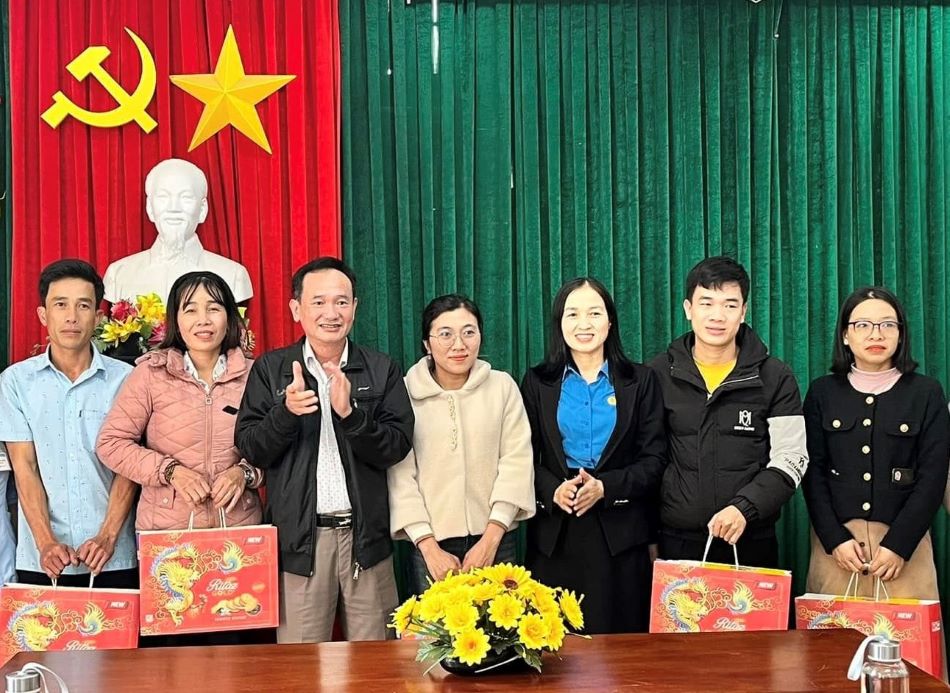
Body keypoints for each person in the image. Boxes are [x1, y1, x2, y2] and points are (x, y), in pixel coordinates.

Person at [236, 257, 414, 643]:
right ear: (296, 309)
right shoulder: (271, 369)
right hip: (301, 543)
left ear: (355, 307)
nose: (331, 313)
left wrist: (350, 415)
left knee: (377, 668)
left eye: (341, 302)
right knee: (300, 668)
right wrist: (285, 414)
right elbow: (251, 447)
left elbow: (396, 446)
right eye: (318, 302)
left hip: (366, 542)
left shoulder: (381, 368)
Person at [96, 270, 266, 644]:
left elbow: (274, 447)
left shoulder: (256, 375)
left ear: (230, 318)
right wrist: (169, 471)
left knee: (240, 658)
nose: (203, 320)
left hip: (237, 539)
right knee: (172, 662)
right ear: (175, 319)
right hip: (168, 542)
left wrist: (245, 474)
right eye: (190, 309)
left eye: (214, 308)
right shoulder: (150, 376)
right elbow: (111, 443)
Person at [520, 277, 666, 633]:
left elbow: (654, 458)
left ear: (610, 322)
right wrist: (552, 488)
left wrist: (606, 487)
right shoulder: (538, 382)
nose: (583, 324)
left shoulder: (640, 381)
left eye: (594, 313)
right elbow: (521, 454)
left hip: (621, 534)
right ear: (559, 323)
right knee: (556, 651)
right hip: (557, 533)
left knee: (622, 654)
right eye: (572, 314)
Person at [648, 256, 807, 568]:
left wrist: (744, 508)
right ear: (688, 309)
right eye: (706, 303)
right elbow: (647, 461)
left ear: (744, 311)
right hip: (677, 544)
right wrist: (647, 536)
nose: (717, 316)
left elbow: (792, 457)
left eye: (730, 305)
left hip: (752, 541)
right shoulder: (656, 374)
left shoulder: (775, 376)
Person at [802, 287, 949, 598]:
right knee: (832, 644)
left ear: (900, 334)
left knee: (909, 645)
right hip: (838, 553)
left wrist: (899, 545)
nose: (875, 334)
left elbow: (933, 476)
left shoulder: (926, 393)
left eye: (887, 325)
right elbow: (813, 473)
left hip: (904, 552)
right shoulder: (822, 393)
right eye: (862, 325)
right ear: (845, 335)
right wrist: (833, 540)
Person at [0, 259, 137, 587]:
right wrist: (46, 543)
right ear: (43, 315)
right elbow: (25, 469)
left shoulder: (128, 380)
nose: (72, 316)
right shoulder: (16, 382)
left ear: (99, 318)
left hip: (114, 557)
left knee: (119, 641)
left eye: (83, 305)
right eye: (60, 304)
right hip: (44, 561)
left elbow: (129, 466)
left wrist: (107, 538)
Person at [388, 295, 534, 595]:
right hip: (430, 546)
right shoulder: (403, 393)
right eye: (445, 334)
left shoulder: (502, 387)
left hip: (496, 538)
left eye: (469, 332)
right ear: (427, 344)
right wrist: (428, 547)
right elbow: (400, 475)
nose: (459, 344)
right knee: (433, 638)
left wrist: (491, 539)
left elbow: (516, 461)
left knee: (500, 634)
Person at [103, 158, 253, 305]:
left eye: (186, 197)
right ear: (149, 208)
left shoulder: (233, 276)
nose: (174, 208)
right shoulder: (119, 274)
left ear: (202, 210)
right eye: (163, 197)